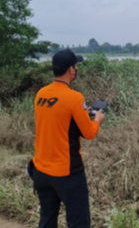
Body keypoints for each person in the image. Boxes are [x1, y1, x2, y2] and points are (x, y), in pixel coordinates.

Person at [31, 49, 105, 228]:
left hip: (41, 170)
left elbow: (58, 122)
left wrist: (81, 114)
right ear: (71, 70)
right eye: (76, 66)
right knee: (78, 222)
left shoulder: (41, 94)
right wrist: (97, 120)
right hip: (67, 173)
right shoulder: (74, 98)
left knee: (47, 219)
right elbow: (88, 133)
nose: (76, 69)